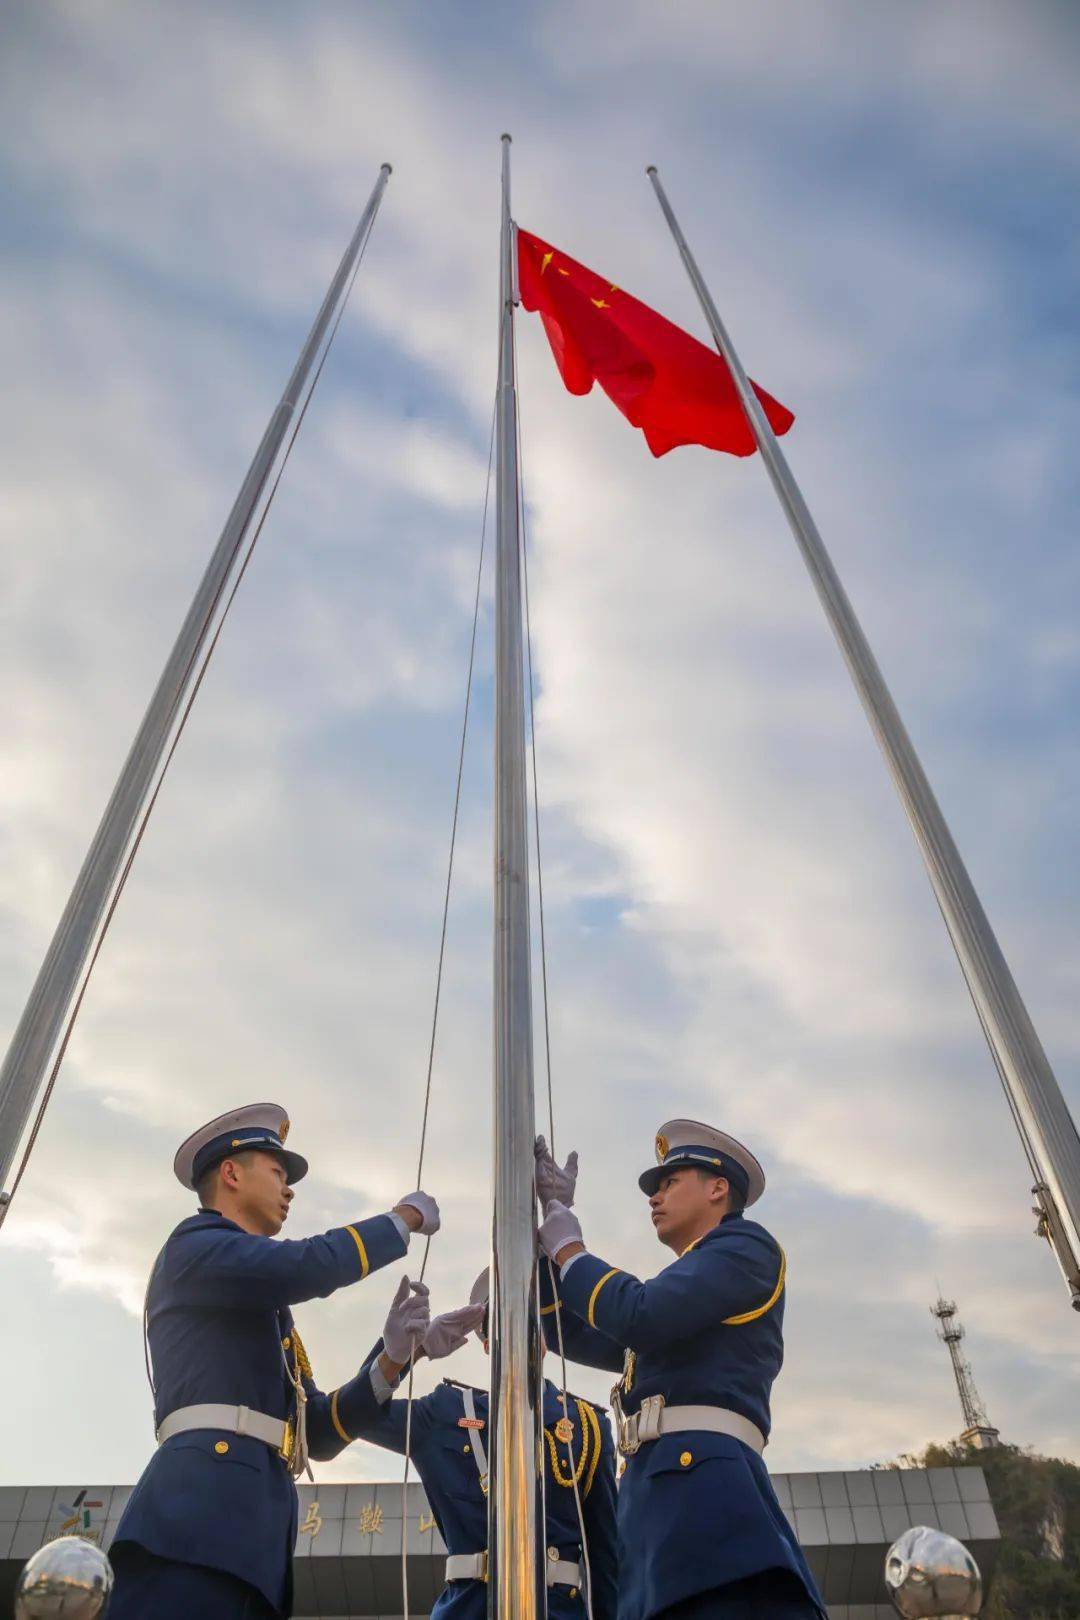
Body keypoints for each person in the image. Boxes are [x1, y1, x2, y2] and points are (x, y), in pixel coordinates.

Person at [109, 1102, 442, 1620]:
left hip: (252, 1539)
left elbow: (319, 1434)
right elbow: (307, 1264)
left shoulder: (259, 1298)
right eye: (278, 1172)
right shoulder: (196, 1247)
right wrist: (399, 1222)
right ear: (231, 1173)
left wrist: (392, 1360)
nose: (289, 1190)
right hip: (195, 1523)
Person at [535, 1121, 827, 1620]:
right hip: (656, 1512)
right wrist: (547, 1223)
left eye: (670, 1182)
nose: (654, 1197)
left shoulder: (747, 1248)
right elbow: (566, 1333)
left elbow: (637, 1315)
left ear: (718, 1188)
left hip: (705, 1503)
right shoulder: (682, 1296)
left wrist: (570, 1250)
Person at [346, 1265, 618, 1620]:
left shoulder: (587, 1427)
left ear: (547, 1337)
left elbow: (608, 1564)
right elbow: (352, 1414)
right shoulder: (443, 1413)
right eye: (503, 1324)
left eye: (531, 1321)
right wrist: (404, 1355)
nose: (519, 1335)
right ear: (486, 1341)